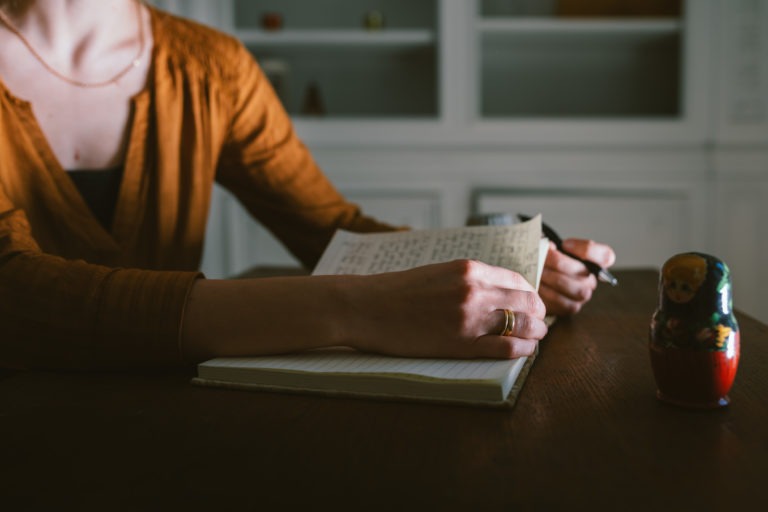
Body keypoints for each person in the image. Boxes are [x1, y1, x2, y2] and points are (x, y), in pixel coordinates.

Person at [0, 0, 616, 370]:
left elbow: (328, 229)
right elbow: (17, 296)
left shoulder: (213, 66)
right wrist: (352, 309)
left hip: (165, 414)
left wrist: (500, 267)